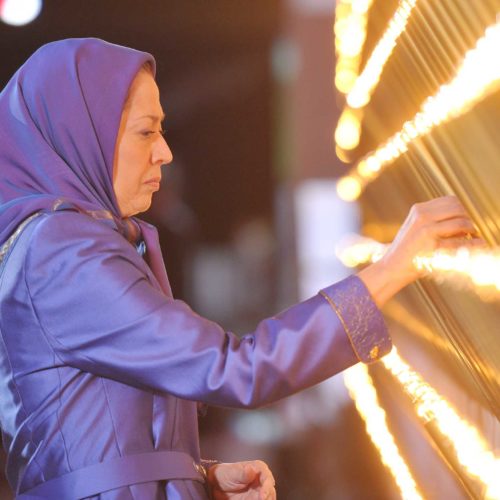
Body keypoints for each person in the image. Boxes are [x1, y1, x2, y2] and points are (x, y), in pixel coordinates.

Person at [0, 38, 482, 500]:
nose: (164, 151)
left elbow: (88, 430)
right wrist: (393, 267)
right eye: (146, 130)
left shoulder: (61, 245)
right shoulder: (62, 251)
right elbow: (234, 369)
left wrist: (195, 475)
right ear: (79, 135)